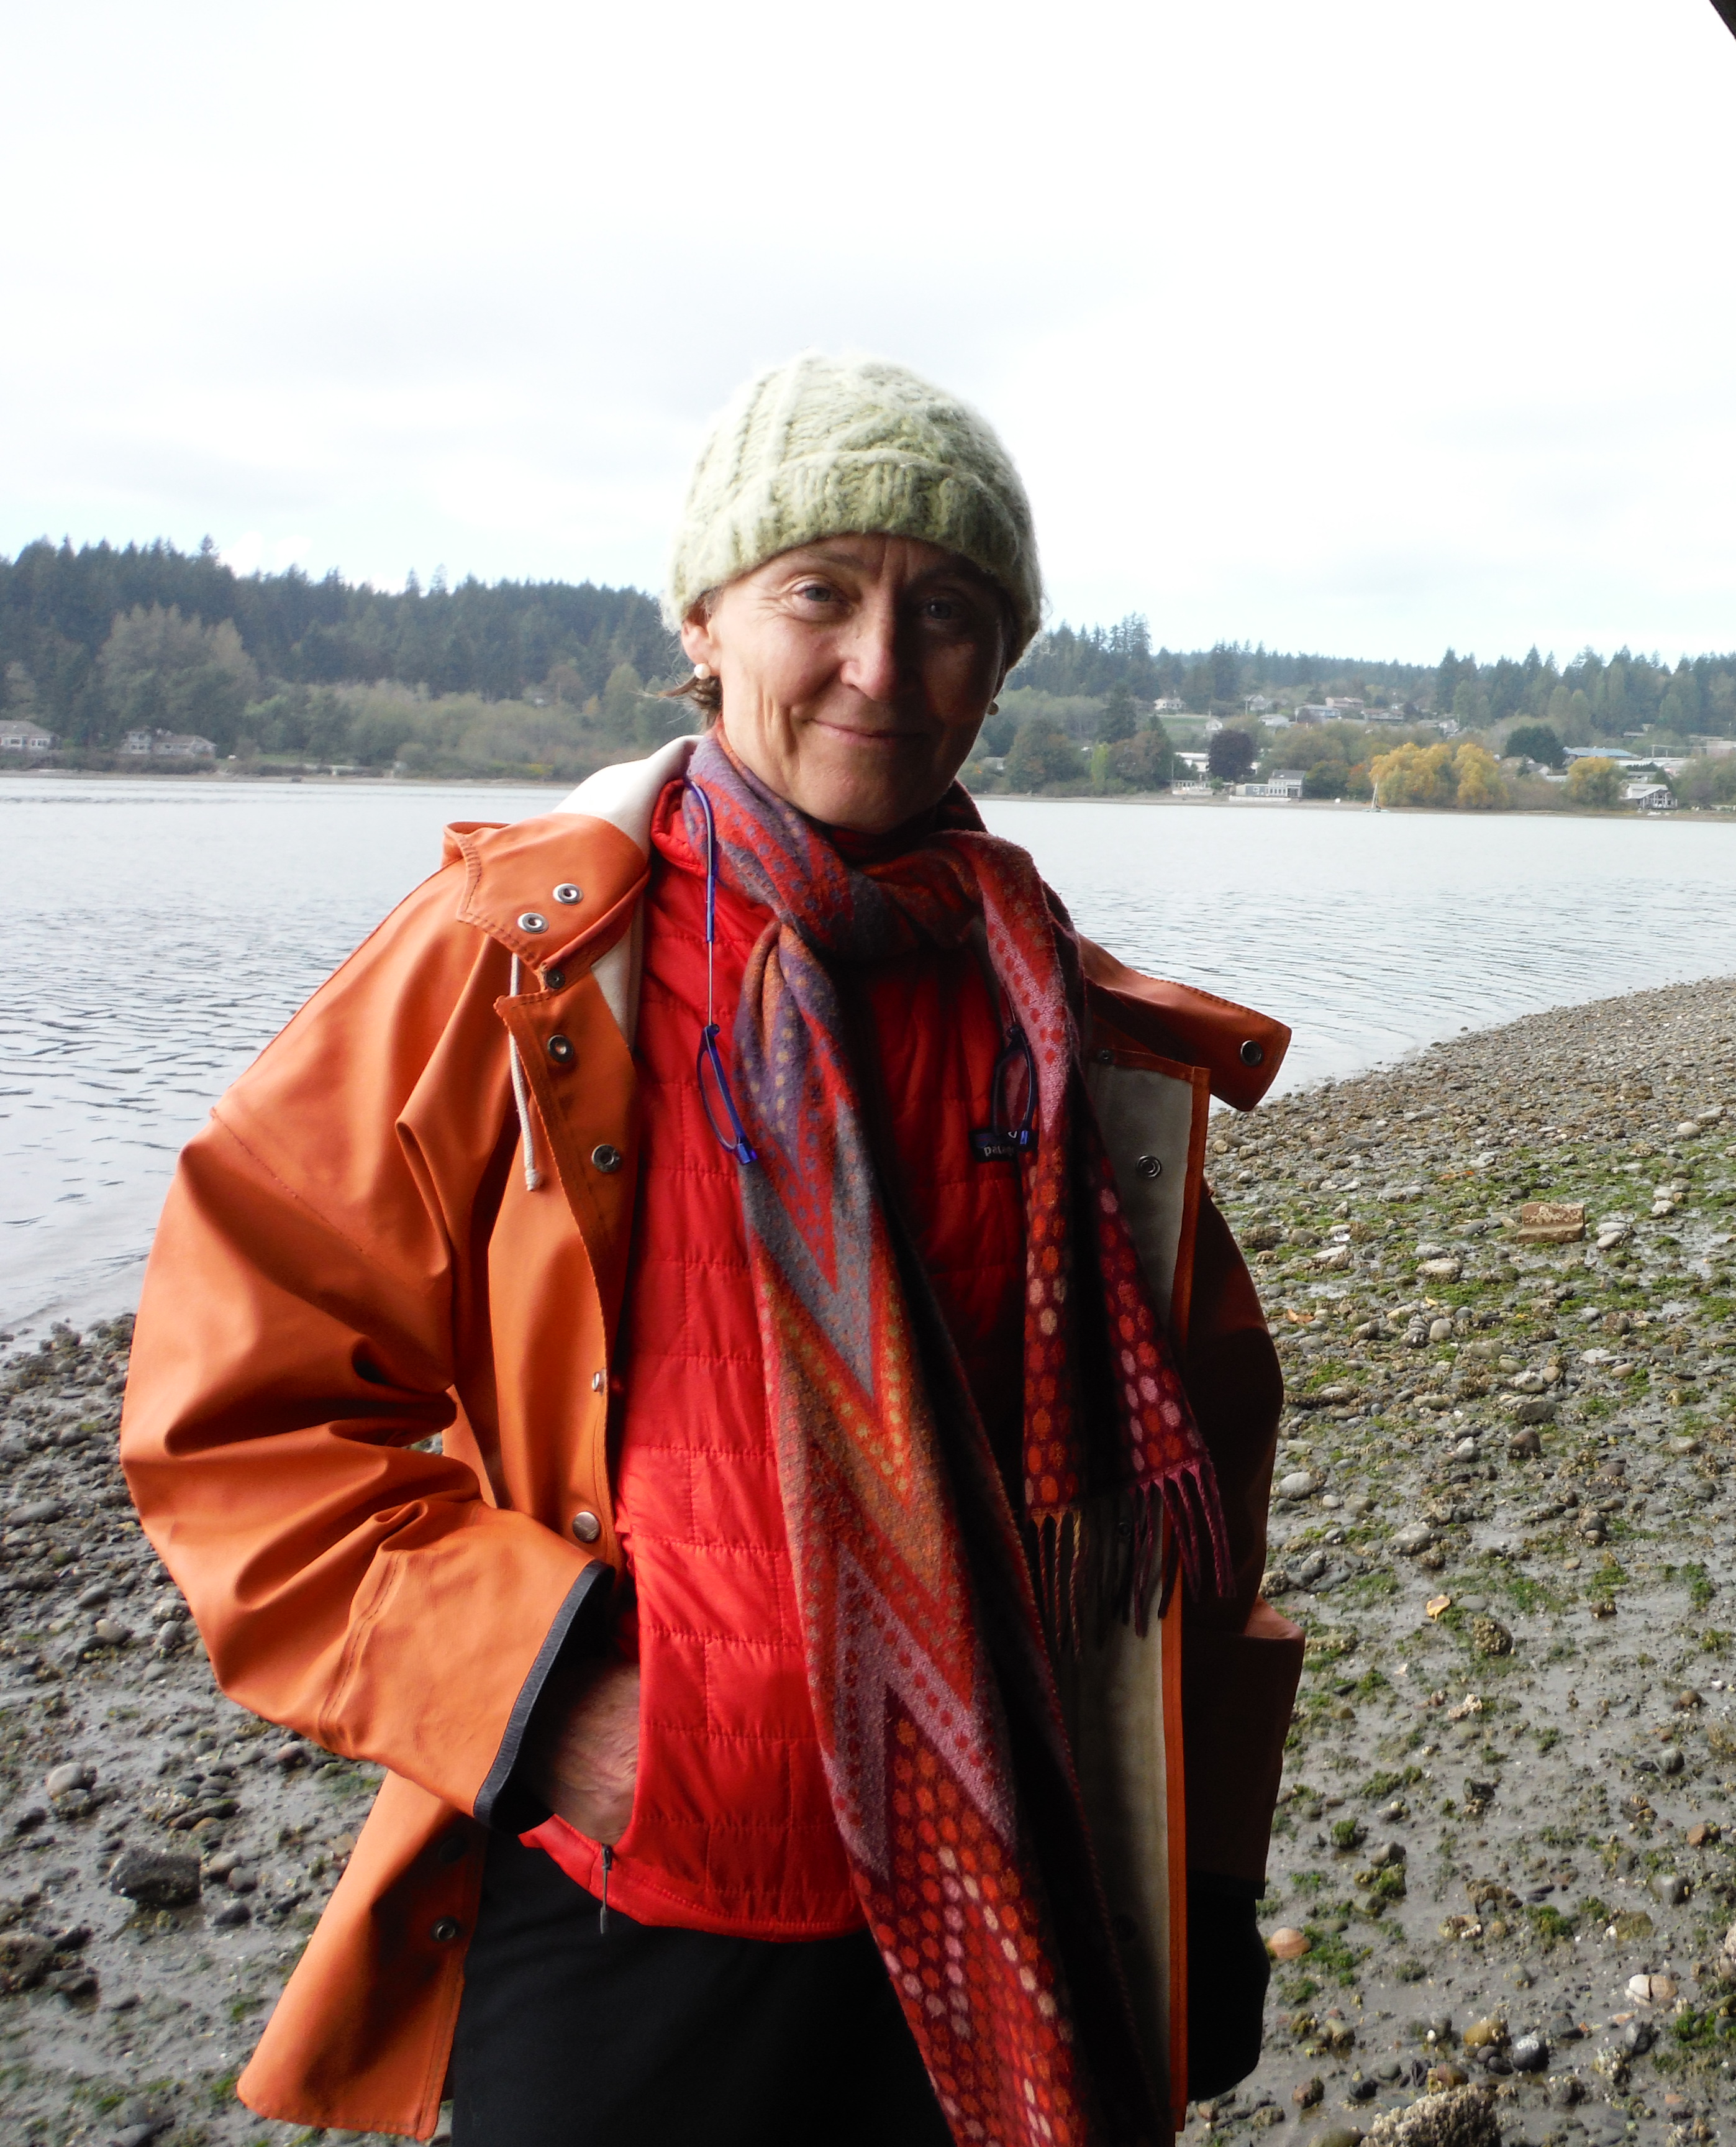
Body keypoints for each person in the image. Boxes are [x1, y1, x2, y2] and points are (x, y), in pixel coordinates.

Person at [119, 354, 1305, 2146]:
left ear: (1003, 666)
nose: (881, 669)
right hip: (639, 1903)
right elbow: (238, 1418)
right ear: (703, 620)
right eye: (818, 594)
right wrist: (545, 1699)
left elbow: (1189, 1523)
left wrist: (1197, 1879)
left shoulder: (1069, 1038)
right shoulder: (510, 968)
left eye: (952, 615)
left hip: (1016, 1886)